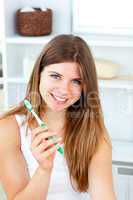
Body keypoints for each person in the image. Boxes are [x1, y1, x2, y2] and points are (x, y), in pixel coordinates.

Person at [0, 34, 116, 200]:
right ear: (39, 73)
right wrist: (44, 169)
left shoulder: (94, 132)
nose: (64, 90)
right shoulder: (8, 128)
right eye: (55, 76)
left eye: (76, 81)